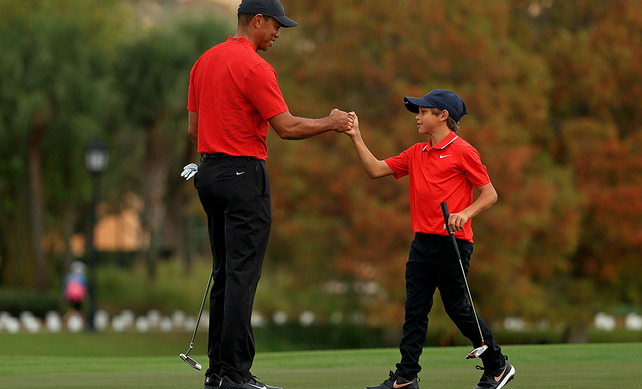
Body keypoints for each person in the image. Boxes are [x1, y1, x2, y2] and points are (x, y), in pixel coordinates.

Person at [183, 1, 354, 388]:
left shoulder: (203, 61)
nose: (279, 33)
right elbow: (287, 128)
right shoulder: (256, 67)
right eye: (276, 26)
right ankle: (235, 375)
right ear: (256, 20)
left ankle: (218, 374)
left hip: (209, 174)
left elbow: (194, 131)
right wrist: (332, 122)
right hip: (244, 175)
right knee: (242, 276)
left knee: (225, 274)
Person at [345, 89, 515, 389]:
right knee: (415, 310)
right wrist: (356, 135)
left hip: (453, 243)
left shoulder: (464, 151)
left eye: (423, 112)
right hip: (422, 243)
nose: (418, 117)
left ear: (443, 116)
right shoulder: (415, 152)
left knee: (457, 309)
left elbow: (490, 194)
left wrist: (465, 212)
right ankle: (406, 377)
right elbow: (375, 170)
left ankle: (498, 365)